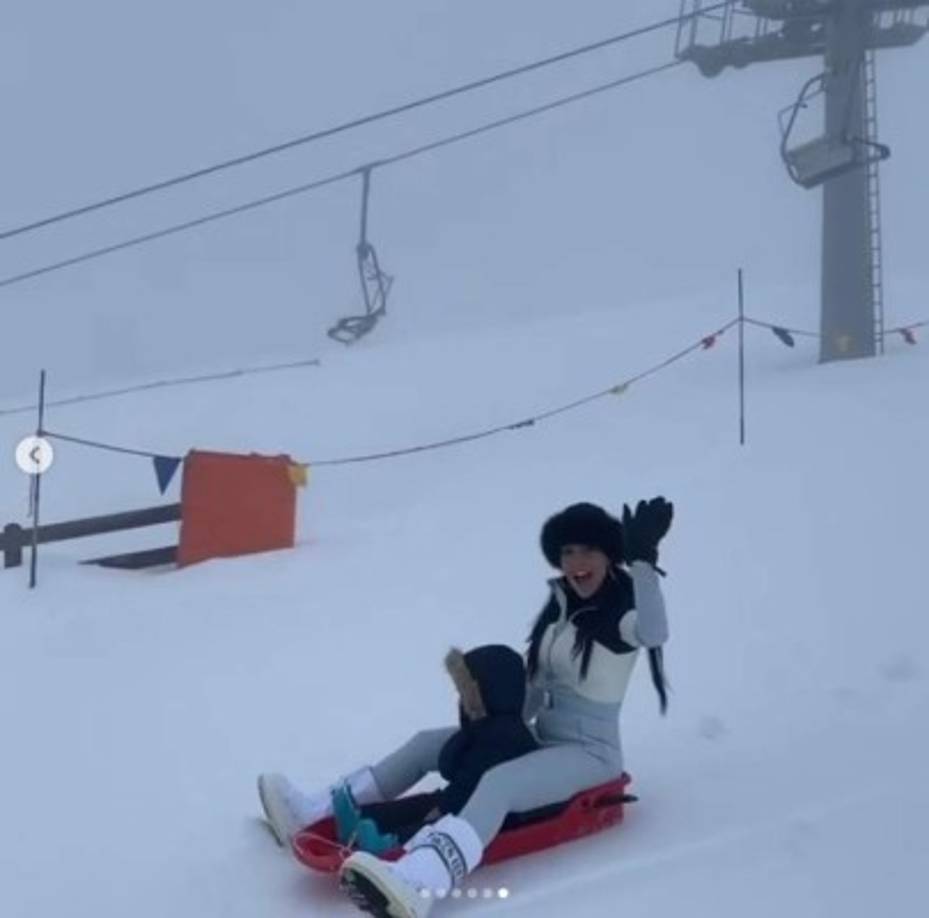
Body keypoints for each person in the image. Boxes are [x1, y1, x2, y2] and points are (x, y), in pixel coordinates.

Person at [258, 498, 672, 918]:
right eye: (567, 552)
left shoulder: (622, 618)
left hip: (590, 754)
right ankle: (315, 810)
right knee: (427, 745)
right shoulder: (561, 613)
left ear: (608, 554)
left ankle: (420, 880)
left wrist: (642, 563)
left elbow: (655, 632)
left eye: (588, 550)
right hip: (543, 739)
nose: (577, 561)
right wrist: (490, 718)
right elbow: (534, 691)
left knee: (499, 783)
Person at [329, 643, 540, 854]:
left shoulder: (509, 738)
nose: (461, 700)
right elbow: (453, 765)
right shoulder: (483, 724)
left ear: (489, 695)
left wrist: (444, 807)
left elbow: (475, 784)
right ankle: (362, 818)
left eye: (466, 694)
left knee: (437, 823)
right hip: (459, 798)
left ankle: (392, 844)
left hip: (483, 817)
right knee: (423, 805)